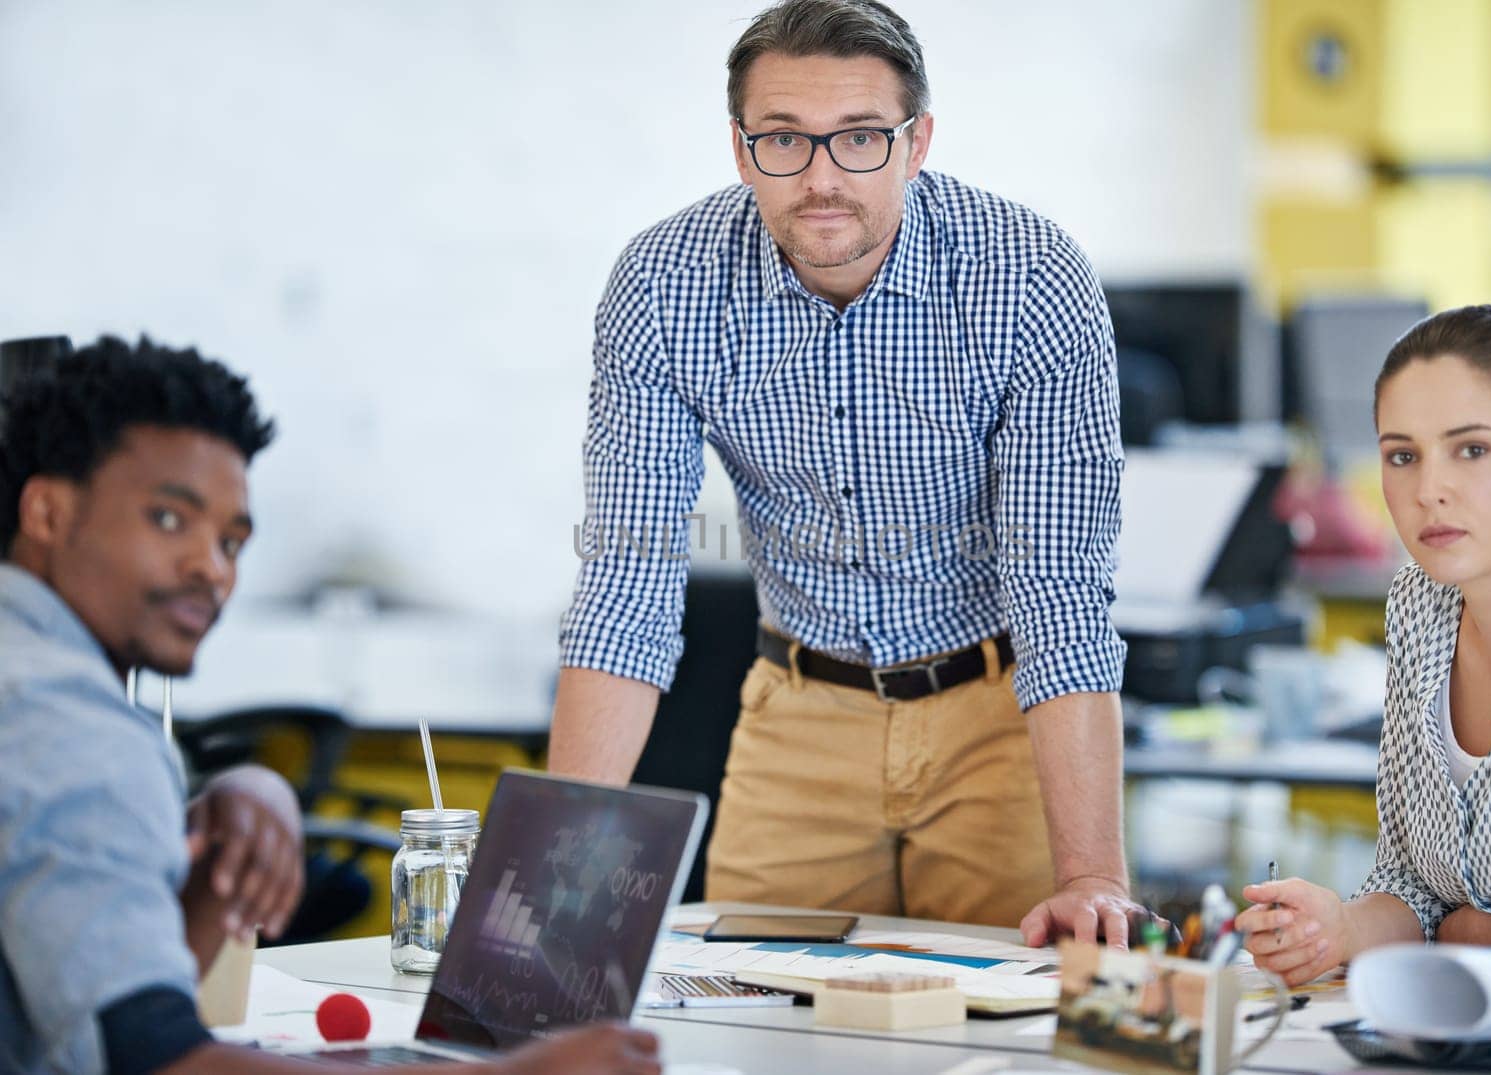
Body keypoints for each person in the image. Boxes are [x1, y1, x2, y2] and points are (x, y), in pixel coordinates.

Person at [551, 0, 1141, 944]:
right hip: (798, 714)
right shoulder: (665, 285)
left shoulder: (1029, 277)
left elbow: (1058, 587)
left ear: (917, 143)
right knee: (755, 1020)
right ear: (741, 150)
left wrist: (1093, 875)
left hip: (1001, 713)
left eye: (862, 137)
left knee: (1028, 1018)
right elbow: (629, 578)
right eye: (784, 139)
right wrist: (558, 864)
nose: (823, 178)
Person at [0, 336, 660, 1074]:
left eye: (231, 540)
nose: (210, 568)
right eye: (167, 519)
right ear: (47, 512)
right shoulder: (69, 723)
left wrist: (242, 802)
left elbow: (101, 1012)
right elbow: (155, 1058)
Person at [1240, 305, 1491, 986]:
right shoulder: (1422, 604)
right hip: (1459, 1026)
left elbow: (1450, 926)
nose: (1429, 490)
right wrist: (1337, 928)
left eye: (1472, 449)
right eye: (1403, 456)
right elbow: (1413, 889)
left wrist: (1471, 931)